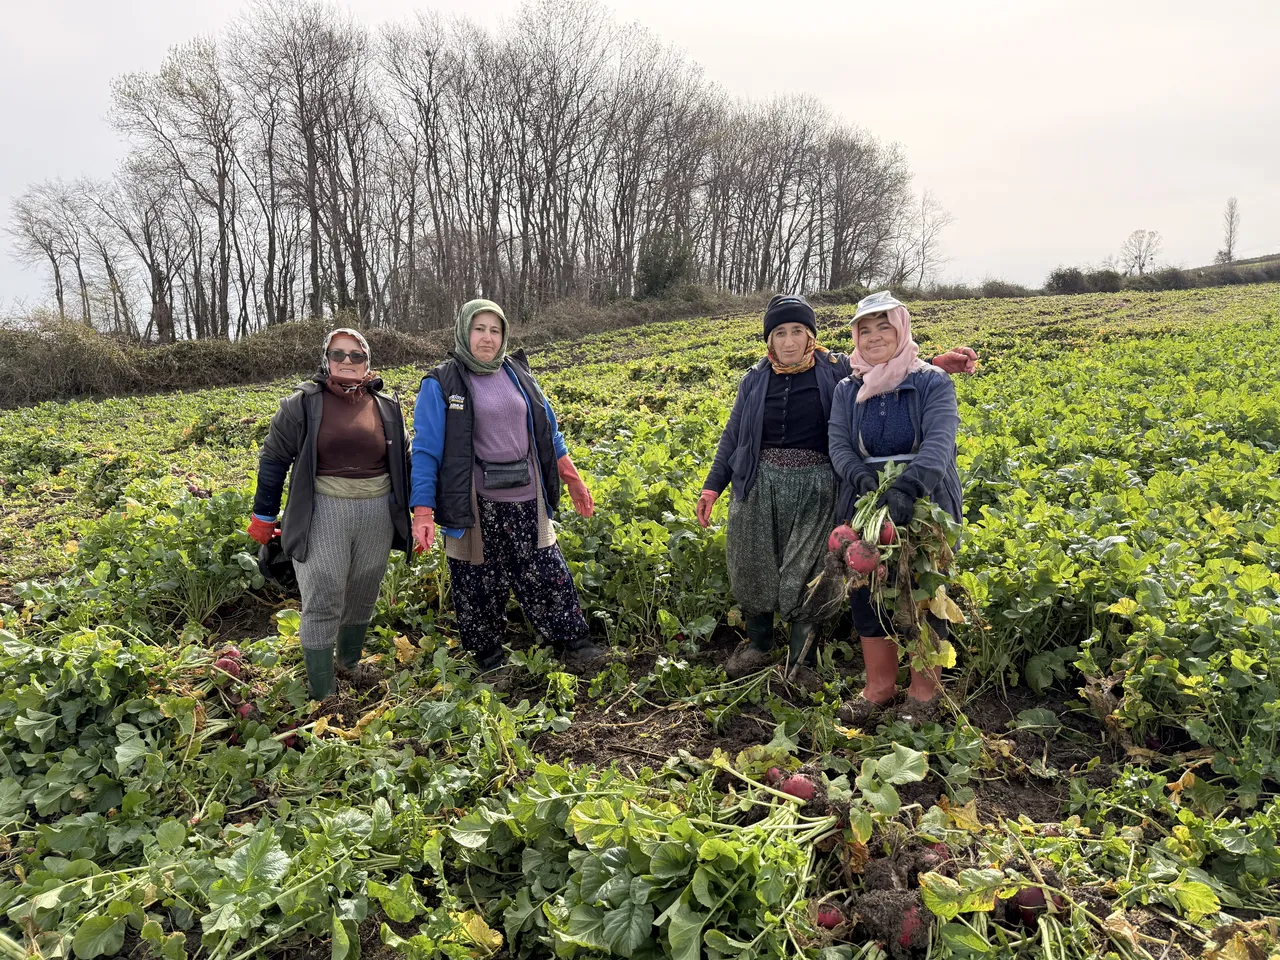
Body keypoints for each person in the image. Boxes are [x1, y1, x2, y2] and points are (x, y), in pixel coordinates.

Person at [697, 294, 974, 683]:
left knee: (808, 570)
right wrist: (713, 487)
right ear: (768, 339)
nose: (789, 341)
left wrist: (937, 363)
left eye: (798, 331)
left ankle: (799, 663)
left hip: (817, 485)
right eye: (779, 333)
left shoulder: (835, 370)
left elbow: (888, 362)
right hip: (760, 484)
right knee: (751, 565)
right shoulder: (754, 378)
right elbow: (731, 436)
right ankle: (759, 645)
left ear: (811, 336)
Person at [410, 299, 604, 676]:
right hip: (474, 504)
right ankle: (490, 659)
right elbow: (426, 450)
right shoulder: (442, 382)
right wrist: (423, 511)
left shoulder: (517, 373)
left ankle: (573, 643)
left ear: (504, 336)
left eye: (494, 330)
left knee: (547, 573)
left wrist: (574, 480)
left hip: (527, 496)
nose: (487, 338)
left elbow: (550, 434)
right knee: (478, 582)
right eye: (479, 329)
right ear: (464, 331)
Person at [247, 328, 412, 700]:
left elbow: (405, 461)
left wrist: (422, 511)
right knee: (323, 593)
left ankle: (348, 665)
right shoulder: (301, 404)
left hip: (376, 512)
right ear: (326, 359)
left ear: (368, 362)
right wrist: (264, 515)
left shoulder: (387, 406)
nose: (347, 362)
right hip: (323, 509)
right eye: (339, 354)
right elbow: (273, 460)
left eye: (356, 355)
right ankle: (324, 692)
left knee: (364, 590)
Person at [828, 291, 964, 726]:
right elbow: (839, 445)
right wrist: (863, 479)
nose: (873, 337)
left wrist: (907, 486)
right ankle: (879, 689)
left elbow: (941, 443)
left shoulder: (931, 382)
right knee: (868, 593)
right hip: (864, 501)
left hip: (925, 499)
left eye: (883, 327)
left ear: (901, 329)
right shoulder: (848, 388)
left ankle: (924, 694)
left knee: (924, 593)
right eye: (864, 330)